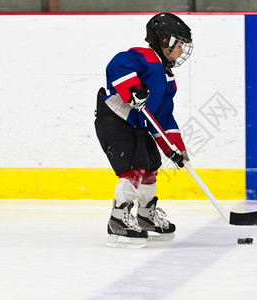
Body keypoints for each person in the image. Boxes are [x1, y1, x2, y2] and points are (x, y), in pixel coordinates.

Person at [94, 12, 193, 247]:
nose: (181, 52)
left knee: (150, 165)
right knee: (134, 167)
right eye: (178, 45)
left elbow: (163, 119)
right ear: (164, 40)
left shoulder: (168, 79)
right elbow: (117, 64)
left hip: (136, 125)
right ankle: (119, 218)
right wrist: (132, 90)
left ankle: (146, 214)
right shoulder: (145, 57)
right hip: (115, 118)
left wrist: (175, 149)